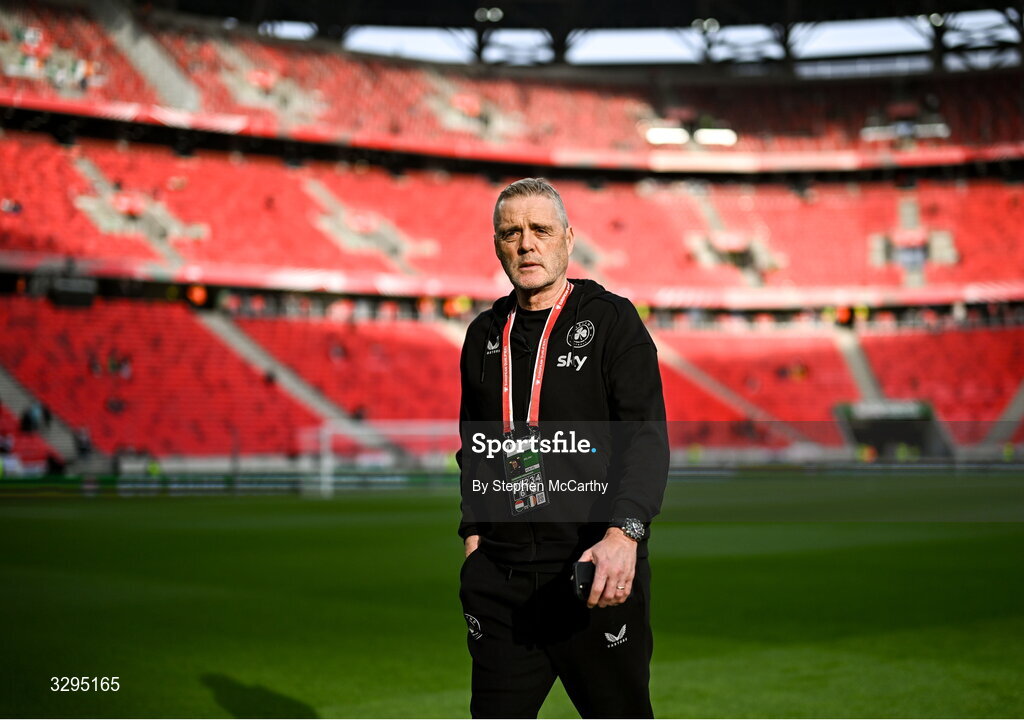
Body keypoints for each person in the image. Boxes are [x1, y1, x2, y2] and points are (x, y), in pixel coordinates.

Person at [457, 178, 669, 718]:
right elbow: (475, 447)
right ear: (497, 245)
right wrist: (474, 538)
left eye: (540, 230)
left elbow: (645, 438)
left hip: (591, 574)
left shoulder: (611, 321)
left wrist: (626, 535)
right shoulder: (483, 334)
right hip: (502, 586)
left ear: (568, 239)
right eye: (511, 233)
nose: (526, 243)